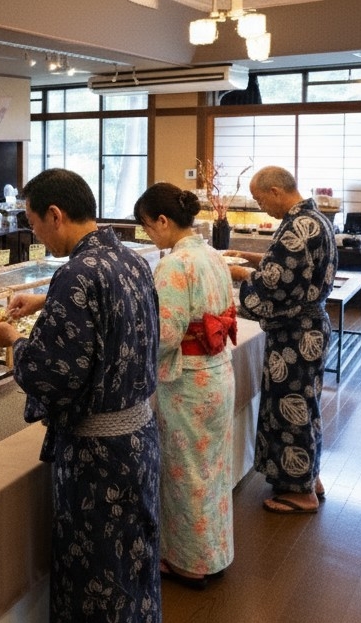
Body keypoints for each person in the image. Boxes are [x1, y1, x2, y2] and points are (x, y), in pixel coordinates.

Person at [0, 168, 164, 623]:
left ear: (55, 214)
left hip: (97, 454)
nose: (38, 236)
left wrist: (15, 342)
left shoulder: (78, 275)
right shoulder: (127, 257)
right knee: (136, 561)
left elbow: (54, 374)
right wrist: (45, 299)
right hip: (139, 438)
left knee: (97, 574)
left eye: (35, 224)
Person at [134, 182, 236, 589]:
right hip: (217, 371)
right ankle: (214, 552)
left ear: (163, 220)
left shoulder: (174, 265)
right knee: (211, 470)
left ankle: (189, 562)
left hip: (187, 380)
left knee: (184, 472)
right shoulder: (212, 255)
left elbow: (165, 334)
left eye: (147, 226)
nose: (147, 235)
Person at [224, 166, 334, 514]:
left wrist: (240, 273)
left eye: (260, 199)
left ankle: (302, 494)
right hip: (308, 327)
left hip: (296, 335)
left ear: (275, 191)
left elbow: (276, 283)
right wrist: (253, 258)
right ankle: (308, 476)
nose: (261, 207)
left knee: (293, 409)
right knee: (305, 405)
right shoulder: (314, 219)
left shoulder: (298, 227)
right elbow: (288, 267)